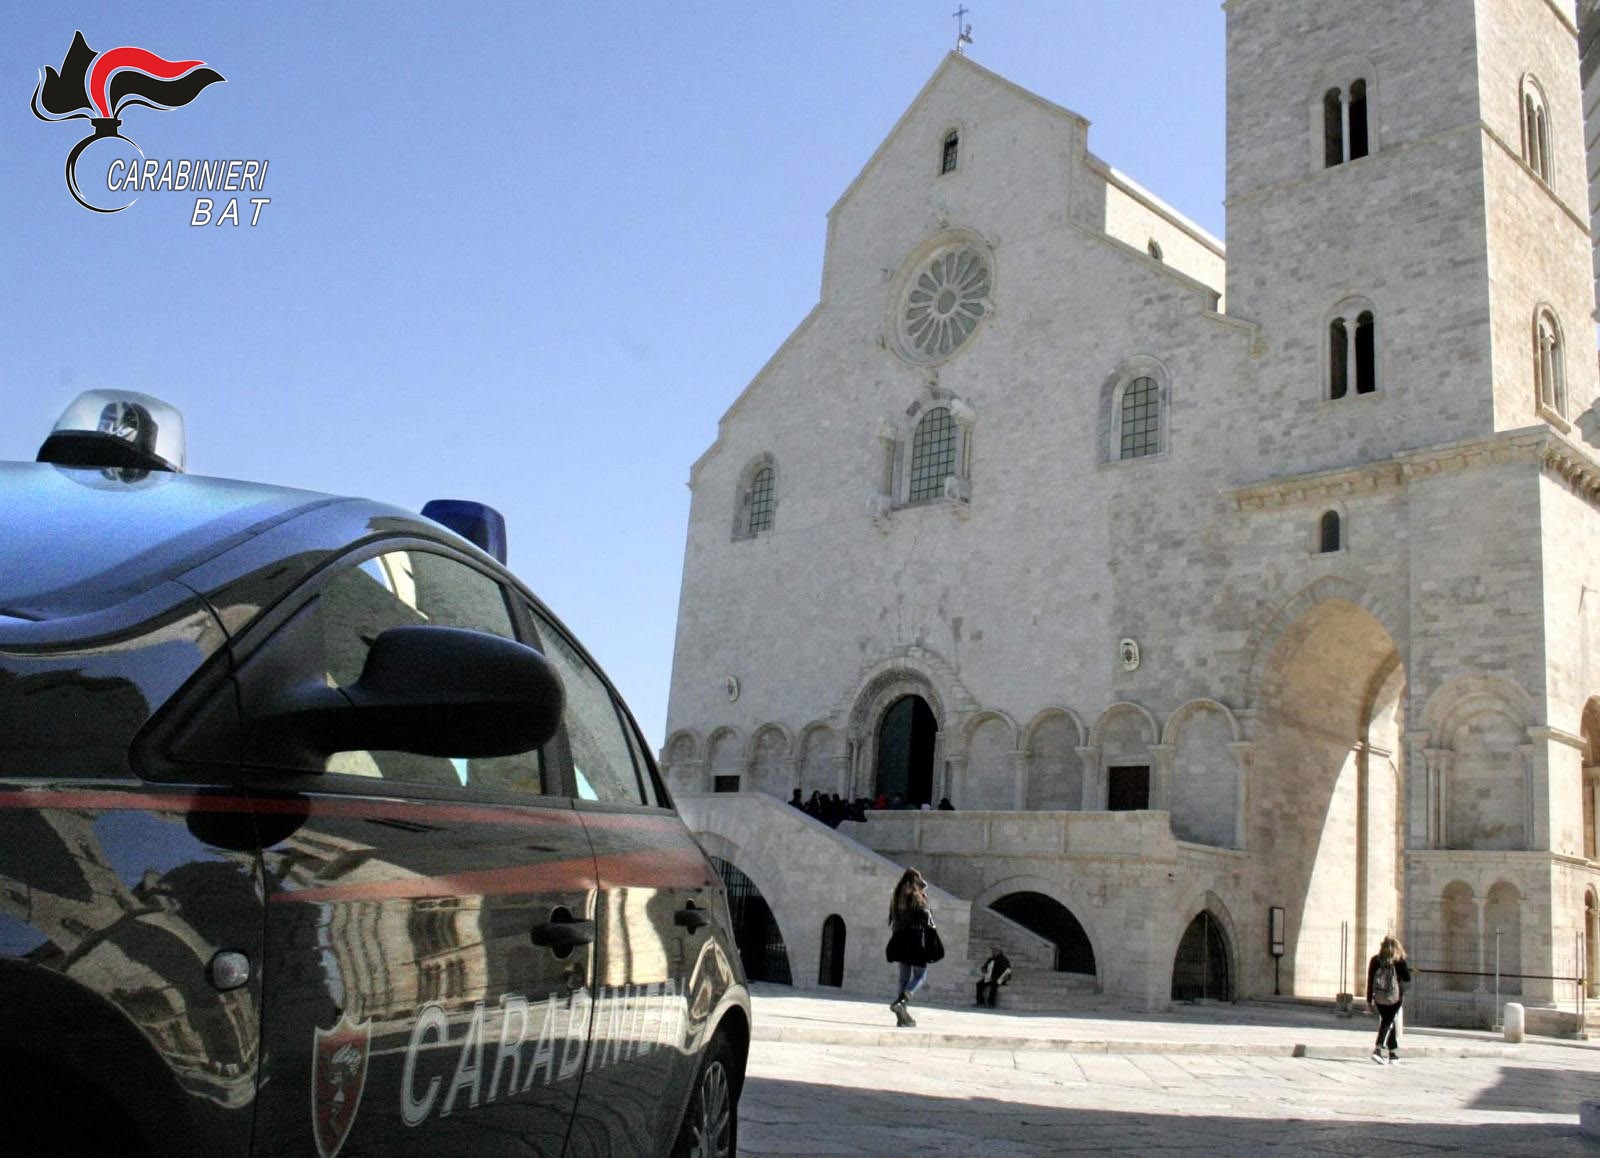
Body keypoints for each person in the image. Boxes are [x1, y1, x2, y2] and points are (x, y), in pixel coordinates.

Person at [885, 867, 938, 1027]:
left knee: (903, 977)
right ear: (915, 881)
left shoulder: (896, 895)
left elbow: (892, 918)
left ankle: (901, 1016)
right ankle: (902, 1001)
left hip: (899, 938)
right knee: (920, 975)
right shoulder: (916, 896)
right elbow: (926, 917)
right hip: (914, 939)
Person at [1365, 934, 1412, 1064]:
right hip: (1394, 998)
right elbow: (1407, 978)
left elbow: (1370, 981)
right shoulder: (1399, 960)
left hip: (1379, 997)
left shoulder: (1375, 960)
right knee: (1388, 1022)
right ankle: (1378, 1050)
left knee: (1388, 1022)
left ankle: (1393, 1054)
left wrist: (1369, 1001)